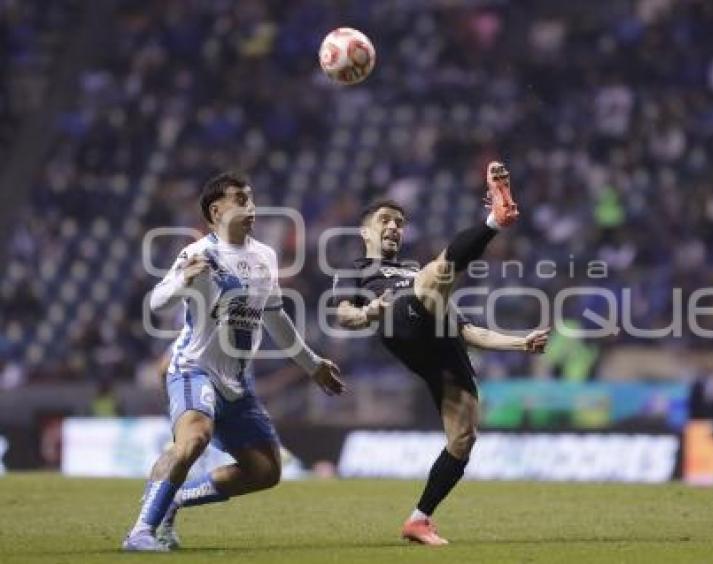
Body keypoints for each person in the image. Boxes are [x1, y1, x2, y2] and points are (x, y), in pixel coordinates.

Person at [122, 171, 344, 551]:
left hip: (237, 384)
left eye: (252, 198)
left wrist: (312, 365)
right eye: (241, 199)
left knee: (265, 471)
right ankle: (140, 531)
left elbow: (275, 316)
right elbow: (158, 302)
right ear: (216, 209)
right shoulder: (198, 253)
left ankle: (173, 498)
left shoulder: (264, 257)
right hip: (194, 368)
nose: (251, 207)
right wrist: (181, 281)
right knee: (194, 439)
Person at [333, 161, 550, 545]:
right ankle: (495, 220)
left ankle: (418, 520)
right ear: (365, 230)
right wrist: (368, 311)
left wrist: (520, 342)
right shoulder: (360, 271)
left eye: (400, 222)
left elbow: (465, 330)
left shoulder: (413, 271)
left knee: (463, 437)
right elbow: (344, 314)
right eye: (386, 219)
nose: (394, 227)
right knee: (434, 276)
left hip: (440, 349)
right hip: (402, 322)